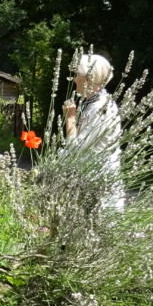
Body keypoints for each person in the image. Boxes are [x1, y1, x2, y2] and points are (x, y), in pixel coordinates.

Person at [62, 52, 125, 210]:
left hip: (99, 186)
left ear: (89, 79)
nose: (75, 79)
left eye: (78, 75)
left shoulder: (101, 108)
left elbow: (76, 149)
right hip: (92, 182)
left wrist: (70, 119)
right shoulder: (93, 104)